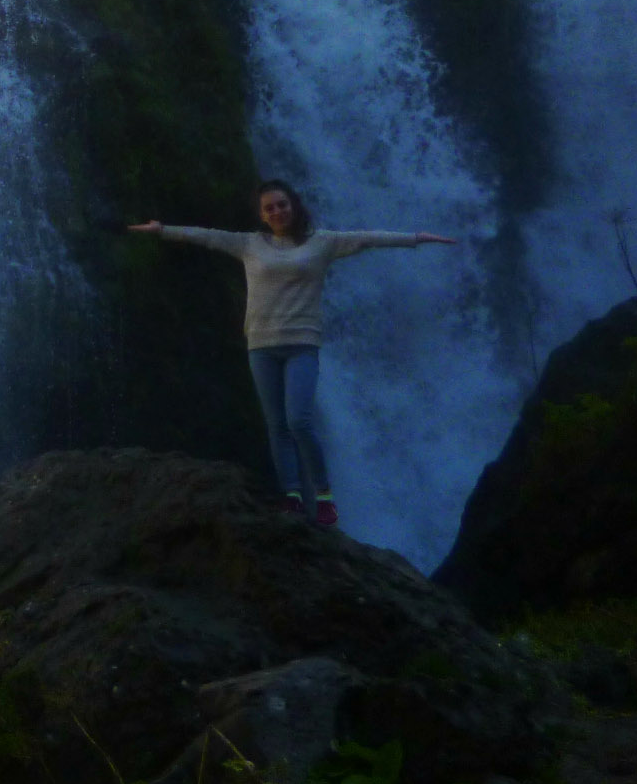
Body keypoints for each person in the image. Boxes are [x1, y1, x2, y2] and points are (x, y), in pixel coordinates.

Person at [128, 181, 455, 528]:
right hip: (261, 345)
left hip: (302, 343)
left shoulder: (323, 242)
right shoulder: (250, 244)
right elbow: (207, 236)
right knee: (277, 425)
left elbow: (368, 237)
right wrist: (161, 230)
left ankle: (324, 495)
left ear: (294, 206)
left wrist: (417, 237)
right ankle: (293, 495)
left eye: (281, 204)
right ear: (262, 215)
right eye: (269, 208)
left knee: (298, 420)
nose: (276, 211)